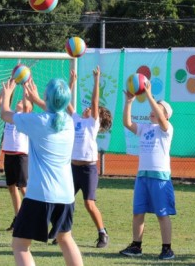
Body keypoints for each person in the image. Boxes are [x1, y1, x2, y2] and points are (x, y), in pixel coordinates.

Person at [0, 77, 83, 266]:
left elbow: (5, 114)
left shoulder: (38, 121)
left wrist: (7, 95)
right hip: (66, 195)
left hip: (40, 194)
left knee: (20, 245)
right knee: (66, 239)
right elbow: (55, 111)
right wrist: (36, 99)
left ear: (47, 97)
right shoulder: (69, 122)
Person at [119, 80, 176, 261]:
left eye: (158, 108)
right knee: (138, 212)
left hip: (160, 177)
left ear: (166, 115)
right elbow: (127, 123)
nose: (153, 110)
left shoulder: (167, 129)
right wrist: (129, 102)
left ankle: (167, 249)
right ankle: (136, 246)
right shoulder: (144, 128)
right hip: (142, 175)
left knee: (162, 214)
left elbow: (161, 120)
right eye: (153, 107)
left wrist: (149, 96)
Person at [66, 66, 112, 248]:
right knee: (65, 200)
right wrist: (71, 83)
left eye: (93, 109)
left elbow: (94, 101)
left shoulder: (92, 124)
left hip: (88, 169)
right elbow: (65, 102)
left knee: (89, 203)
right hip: (73, 168)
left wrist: (96, 80)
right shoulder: (76, 119)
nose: (88, 108)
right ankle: (63, 232)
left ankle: (102, 233)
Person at [0, 89, 31, 232]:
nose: (19, 101)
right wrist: (8, 86)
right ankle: (18, 218)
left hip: (21, 155)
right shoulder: (10, 115)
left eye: (22, 101)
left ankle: (35, 215)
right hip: (9, 154)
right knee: (11, 187)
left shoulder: (26, 117)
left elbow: (27, 105)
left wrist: (25, 86)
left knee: (23, 188)